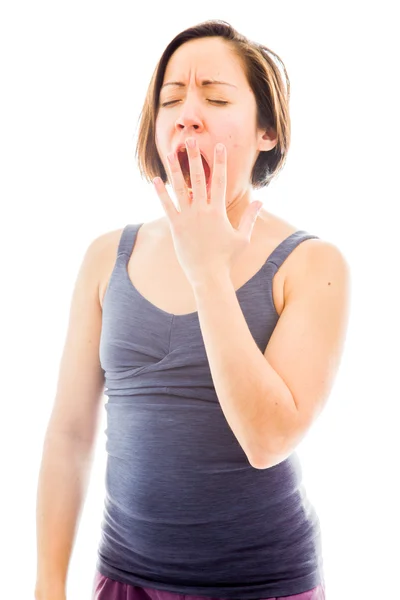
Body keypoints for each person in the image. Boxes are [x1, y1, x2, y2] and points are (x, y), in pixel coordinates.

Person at [35, 19, 351, 600]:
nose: (187, 112)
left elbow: (268, 439)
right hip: (125, 579)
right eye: (171, 98)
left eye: (217, 96)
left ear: (266, 132)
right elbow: (69, 433)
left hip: (263, 586)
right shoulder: (107, 257)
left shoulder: (313, 265)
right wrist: (48, 585)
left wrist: (208, 271)